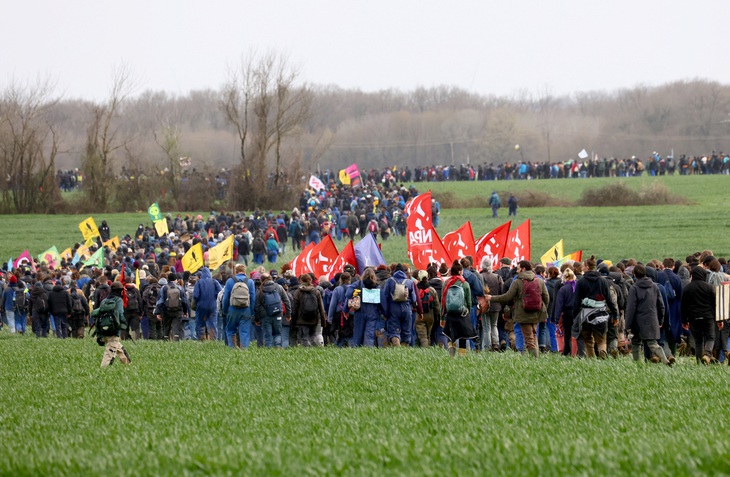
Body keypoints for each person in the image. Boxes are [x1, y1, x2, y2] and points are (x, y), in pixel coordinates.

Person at [486, 260, 549, 358]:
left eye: (518, 268)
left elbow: (507, 297)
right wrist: (542, 308)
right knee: (533, 335)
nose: (517, 270)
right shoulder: (539, 281)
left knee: (529, 339)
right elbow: (546, 297)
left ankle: (535, 361)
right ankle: (536, 357)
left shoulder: (518, 282)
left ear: (523, 269)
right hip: (537, 312)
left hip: (523, 313)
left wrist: (492, 298)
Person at [572, 255, 618, 359]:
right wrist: (615, 315)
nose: (582, 267)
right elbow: (610, 300)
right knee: (601, 339)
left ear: (587, 267)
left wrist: (575, 316)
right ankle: (602, 352)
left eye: (583, 266)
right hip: (601, 313)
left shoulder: (581, 282)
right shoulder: (603, 281)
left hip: (585, 315)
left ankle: (591, 359)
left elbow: (576, 301)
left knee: (588, 339)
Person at [625, 264, 671, 365]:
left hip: (637, 322)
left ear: (635, 275)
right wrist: (660, 320)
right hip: (652, 319)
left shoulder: (634, 288)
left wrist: (628, 325)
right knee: (653, 343)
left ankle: (638, 364)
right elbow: (661, 305)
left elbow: (630, 309)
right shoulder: (655, 286)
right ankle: (664, 358)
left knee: (636, 343)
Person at [681, 266, 717, 365]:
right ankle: (707, 354)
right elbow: (715, 304)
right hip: (708, 317)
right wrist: (718, 319)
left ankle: (699, 362)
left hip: (693, 318)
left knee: (698, 340)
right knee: (710, 337)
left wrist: (684, 321)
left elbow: (683, 306)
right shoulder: (709, 287)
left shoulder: (687, 288)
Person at [91, 281, 131, 368]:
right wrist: (124, 324)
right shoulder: (118, 300)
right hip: (114, 330)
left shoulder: (104, 300)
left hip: (103, 330)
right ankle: (104, 370)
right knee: (110, 352)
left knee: (118, 347)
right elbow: (120, 313)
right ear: (120, 291)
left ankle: (128, 364)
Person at [441, 260, 476, 357]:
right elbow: (469, 301)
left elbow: (443, 301)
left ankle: (451, 355)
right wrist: (467, 311)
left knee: (450, 334)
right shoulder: (464, 283)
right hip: (462, 313)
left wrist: (442, 316)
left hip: (450, 313)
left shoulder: (446, 283)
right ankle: (462, 356)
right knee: (463, 336)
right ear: (460, 271)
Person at [381, 263, 419, 347]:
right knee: (406, 331)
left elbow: (384, 297)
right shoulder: (409, 282)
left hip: (393, 309)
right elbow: (414, 299)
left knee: (394, 332)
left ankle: (397, 347)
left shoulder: (390, 281)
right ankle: (403, 351)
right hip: (406, 309)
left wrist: (385, 312)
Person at [221, 264, 256, 348]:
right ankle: (244, 350)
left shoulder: (230, 281)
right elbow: (253, 298)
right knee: (244, 332)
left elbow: (226, 298)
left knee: (230, 330)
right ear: (244, 271)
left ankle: (232, 348)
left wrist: (225, 310)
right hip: (245, 310)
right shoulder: (250, 282)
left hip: (232, 309)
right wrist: (251, 311)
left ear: (235, 272)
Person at [254, 272, 291, 347]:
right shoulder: (279, 287)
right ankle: (278, 349)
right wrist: (288, 314)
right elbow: (286, 301)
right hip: (278, 313)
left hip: (265, 316)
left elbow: (257, 306)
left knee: (268, 335)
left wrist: (257, 319)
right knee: (277, 333)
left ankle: (269, 352)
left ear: (261, 280)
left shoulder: (260, 290)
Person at [291, 273, 326, 346]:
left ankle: (306, 351)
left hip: (302, 319)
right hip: (314, 318)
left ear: (301, 281)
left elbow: (295, 308)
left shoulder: (298, 292)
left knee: (304, 337)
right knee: (313, 335)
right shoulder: (316, 291)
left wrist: (294, 321)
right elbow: (321, 307)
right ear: (310, 280)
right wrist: (323, 321)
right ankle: (315, 350)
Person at [154, 273, 190, 341]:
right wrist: (185, 311)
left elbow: (160, 301)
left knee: (166, 327)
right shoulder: (180, 288)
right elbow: (184, 301)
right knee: (176, 327)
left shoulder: (164, 288)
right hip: (177, 311)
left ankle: (165, 340)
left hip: (166, 311)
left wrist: (158, 312)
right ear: (175, 280)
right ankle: (176, 340)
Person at [552, 268, 577, 356]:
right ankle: (576, 353)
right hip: (577, 313)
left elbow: (559, 305)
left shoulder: (563, 289)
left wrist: (556, 318)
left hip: (567, 313)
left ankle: (567, 352)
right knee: (576, 334)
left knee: (567, 335)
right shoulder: (578, 287)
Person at [193, 267, 223, 340]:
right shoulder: (214, 282)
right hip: (212, 306)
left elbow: (196, 295)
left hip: (201, 307)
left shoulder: (199, 282)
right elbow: (220, 293)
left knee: (200, 323)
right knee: (212, 323)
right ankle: (213, 339)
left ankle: (201, 339)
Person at [415, 270, 440, 347]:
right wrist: (438, 315)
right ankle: (427, 350)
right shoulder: (432, 290)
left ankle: (424, 351)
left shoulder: (416, 289)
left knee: (423, 336)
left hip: (419, 315)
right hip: (430, 315)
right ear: (427, 277)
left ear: (418, 278)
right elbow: (436, 305)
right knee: (428, 335)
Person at [123, 276, 143, 340]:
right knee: (136, 327)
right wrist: (140, 313)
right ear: (131, 281)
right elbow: (140, 301)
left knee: (125, 327)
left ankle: (124, 339)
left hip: (125, 311)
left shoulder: (123, 290)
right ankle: (136, 339)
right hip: (135, 311)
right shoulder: (135, 290)